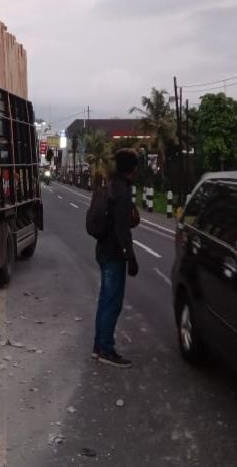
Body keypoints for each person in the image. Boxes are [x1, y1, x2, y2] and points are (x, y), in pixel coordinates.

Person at [92, 148, 140, 368]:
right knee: (112, 302)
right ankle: (106, 350)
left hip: (103, 251)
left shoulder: (111, 185)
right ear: (132, 168)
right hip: (113, 255)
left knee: (105, 300)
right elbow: (123, 230)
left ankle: (98, 346)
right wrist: (130, 258)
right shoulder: (122, 192)